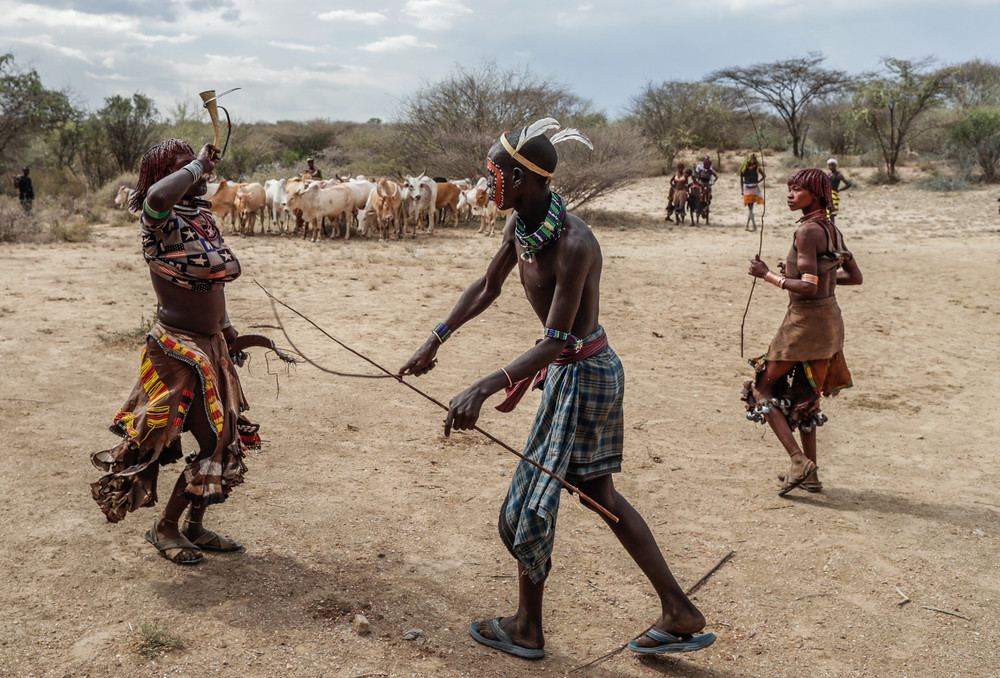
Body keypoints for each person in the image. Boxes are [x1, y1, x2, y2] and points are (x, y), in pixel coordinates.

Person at [399, 119, 715, 660]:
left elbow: (557, 341)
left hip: (585, 374)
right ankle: (677, 610)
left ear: (522, 178)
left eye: (495, 172)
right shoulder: (522, 226)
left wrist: (483, 386)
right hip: (571, 372)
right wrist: (436, 338)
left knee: (534, 500)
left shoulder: (574, 242)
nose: (487, 180)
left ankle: (528, 628)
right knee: (596, 495)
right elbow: (488, 285)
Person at [90, 139, 259, 565]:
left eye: (198, 167)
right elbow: (158, 195)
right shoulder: (157, 217)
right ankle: (164, 526)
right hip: (177, 348)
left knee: (224, 439)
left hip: (212, 343)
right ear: (165, 175)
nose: (200, 175)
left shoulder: (201, 214)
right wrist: (199, 163)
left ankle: (194, 527)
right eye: (185, 168)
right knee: (211, 438)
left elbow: (213, 278)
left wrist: (225, 326)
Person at [743, 168, 863, 495]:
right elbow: (854, 277)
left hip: (804, 323)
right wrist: (811, 277)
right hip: (829, 324)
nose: (790, 194)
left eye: (797, 189)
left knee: (762, 388)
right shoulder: (831, 228)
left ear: (816, 194)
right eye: (789, 188)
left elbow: (808, 289)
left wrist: (767, 274)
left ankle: (798, 460)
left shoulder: (807, 232)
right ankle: (810, 476)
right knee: (806, 396)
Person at [739, 153, 765, 231]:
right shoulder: (744, 168)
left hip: (754, 188)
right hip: (747, 188)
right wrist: (742, 190)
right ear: (748, 159)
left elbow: (764, 176)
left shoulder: (757, 167)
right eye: (751, 158)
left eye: (754, 159)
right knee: (750, 208)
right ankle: (752, 226)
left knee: (751, 208)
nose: (752, 160)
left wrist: (757, 182)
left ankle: (750, 226)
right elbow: (741, 179)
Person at [826, 158, 852, 225]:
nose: (831, 167)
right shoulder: (829, 175)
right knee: (826, 212)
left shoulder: (838, 175)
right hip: (827, 194)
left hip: (834, 195)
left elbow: (848, 184)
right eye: (829, 165)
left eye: (832, 165)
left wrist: (839, 190)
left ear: (836, 166)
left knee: (832, 213)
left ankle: (833, 229)